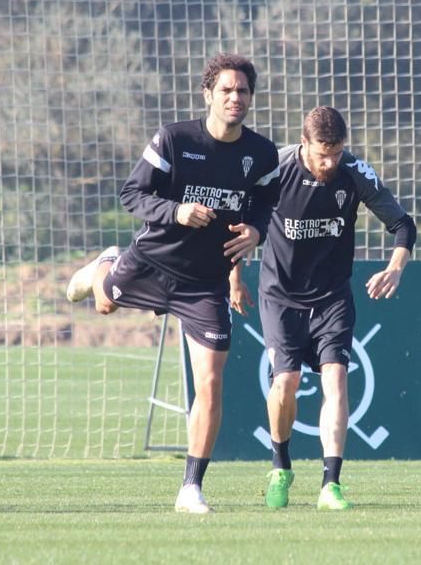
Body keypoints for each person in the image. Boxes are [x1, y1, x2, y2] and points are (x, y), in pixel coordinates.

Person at [65, 53, 280, 514]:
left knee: (211, 382)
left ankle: (190, 487)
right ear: (208, 94)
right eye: (226, 90)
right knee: (103, 303)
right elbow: (131, 194)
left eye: (242, 91)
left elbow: (265, 202)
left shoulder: (261, 153)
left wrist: (257, 231)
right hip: (151, 261)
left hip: (204, 284)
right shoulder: (175, 139)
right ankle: (103, 265)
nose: (234, 98)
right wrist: (176, 211)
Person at [230, 106, 416, 511]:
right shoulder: (274, 168)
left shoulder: (355, 172)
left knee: (336, 381)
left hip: (332, 297)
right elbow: (239, 220)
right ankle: (281, 466)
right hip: (280, 296)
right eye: (321, 154)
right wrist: (234, 277)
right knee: (286, 384)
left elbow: (403, 225)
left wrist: (395, 268)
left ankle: (331, 484)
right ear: (304, 143)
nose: (329, 163)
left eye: (336, 153)